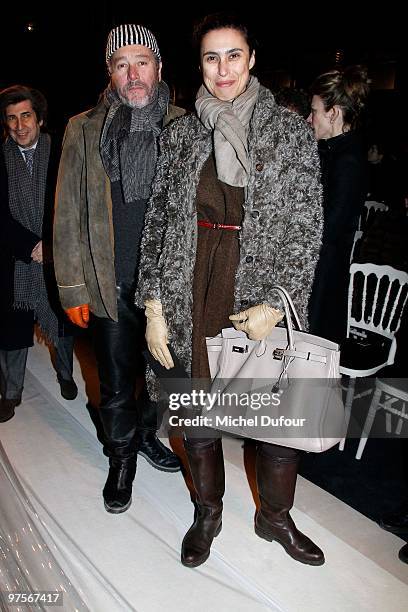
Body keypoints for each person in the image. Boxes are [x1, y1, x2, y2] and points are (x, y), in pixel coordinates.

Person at [137, 13, 325, 567]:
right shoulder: (180, 134)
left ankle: (274, 517)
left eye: (233, 55)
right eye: (211, 58)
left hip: (258, 290)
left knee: (275, 424)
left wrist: (279, 298)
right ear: (199, 65)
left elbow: (307, 224)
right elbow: (159, 220)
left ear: (251, 60)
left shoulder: (288, 132)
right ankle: (208, 512)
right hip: (191, 282)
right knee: (195, 414)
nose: (223, 69)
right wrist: (153, 303)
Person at [53, 24, 184, 514]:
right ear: (109, 73)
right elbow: (66, 212)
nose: (133, 75)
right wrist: (71, 288)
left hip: (165, 289)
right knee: (113, 384)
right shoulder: (82, 128)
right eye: (121, 65)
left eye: (142, 63)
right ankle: (121, 456)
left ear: (159, 68)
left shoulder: (184, 125)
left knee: (159, 377)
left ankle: (148, 435)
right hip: (108, 283)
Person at [0, 85, 77, 424]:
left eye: (26, 116)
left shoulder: (62, 153)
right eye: (12, 119)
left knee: (61, 323)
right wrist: (28, 246)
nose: (19, 125)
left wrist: (50, 243)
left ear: (40, 118)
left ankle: (66, 375)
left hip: (55, 256)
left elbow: (74, 204)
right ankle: (11, 391)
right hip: (14, 260)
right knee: (11, 331)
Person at [307, 66, 370, 344]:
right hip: (320, 268)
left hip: (325, 274)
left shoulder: (348, 161)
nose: (309, 119)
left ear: (332, 113)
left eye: (315, 111)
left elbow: (329, 229)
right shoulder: (334, 152)